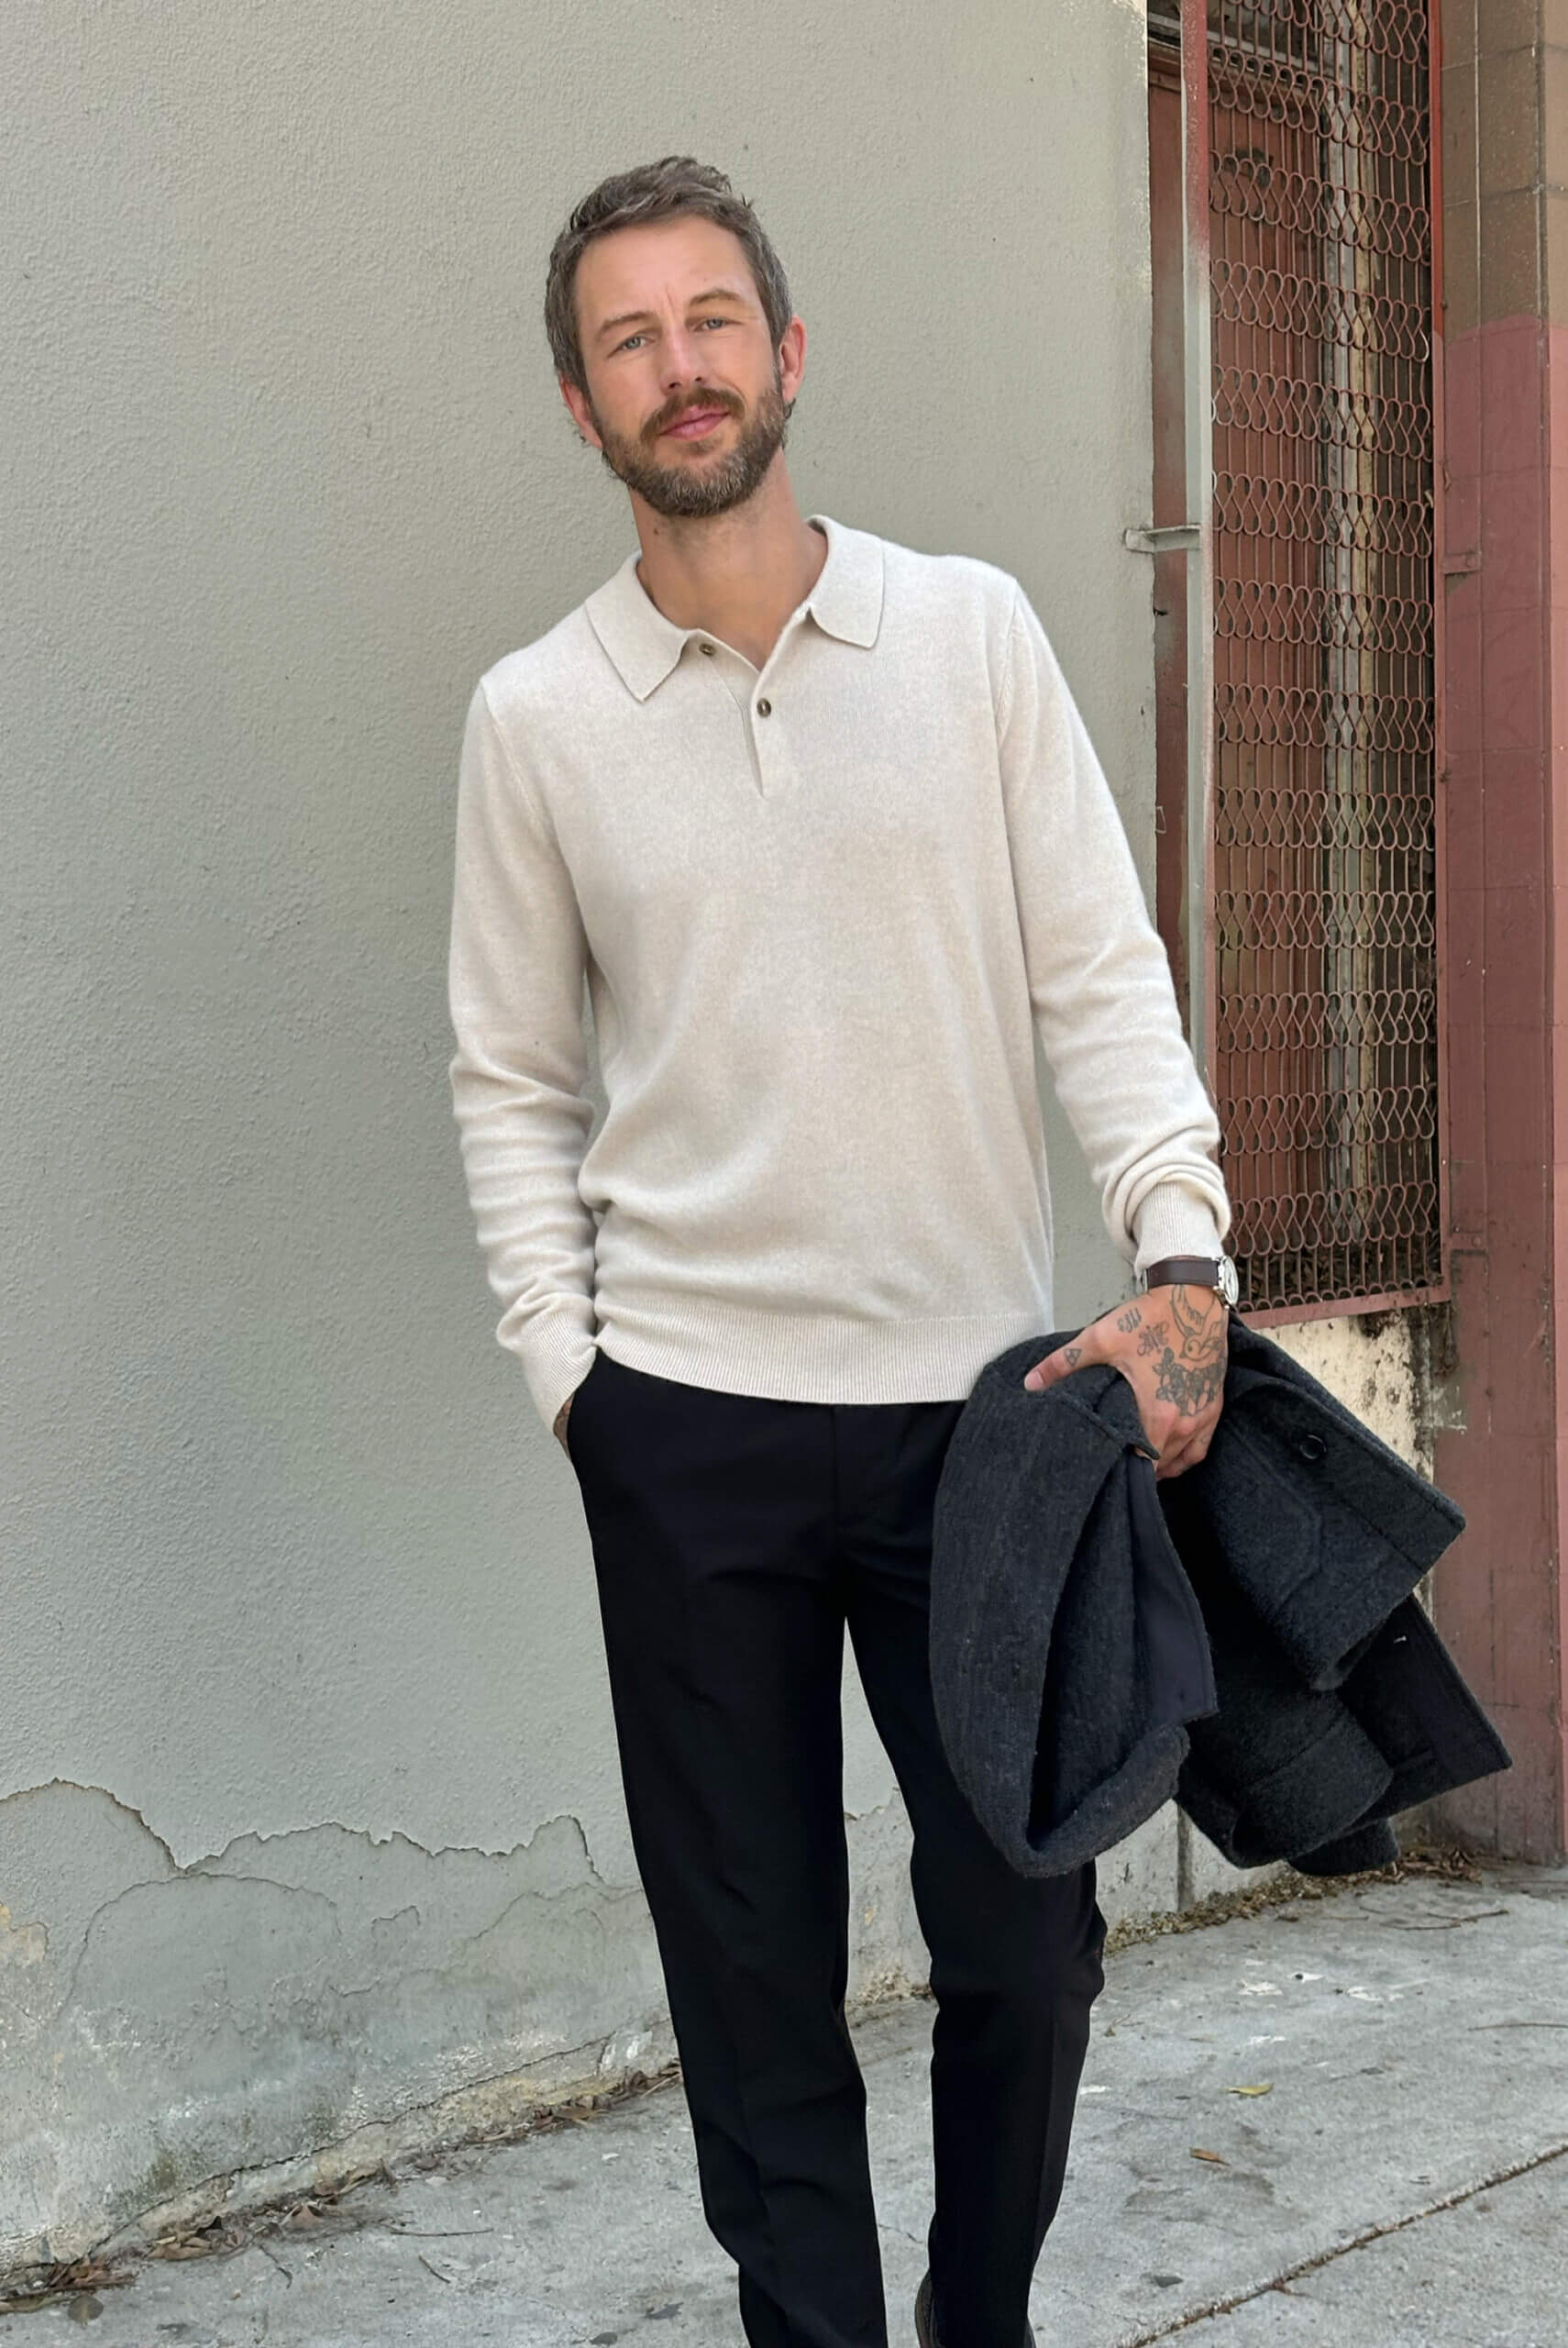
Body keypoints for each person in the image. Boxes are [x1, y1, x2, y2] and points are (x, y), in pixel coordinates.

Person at [447, 155, 1234, 2348]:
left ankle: (976, 2320)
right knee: (751, 1970)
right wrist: (572, 1380)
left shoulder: (969, 634)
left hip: (991, 1423)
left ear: (788, 355)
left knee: (1029, 1947)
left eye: (712, 321)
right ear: (582, 405)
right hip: (686, 1432)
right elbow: (511, 1078)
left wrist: (1183, 1246)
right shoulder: (537, 721)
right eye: (629, 338)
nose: (678, 367)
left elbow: (1099, 967)